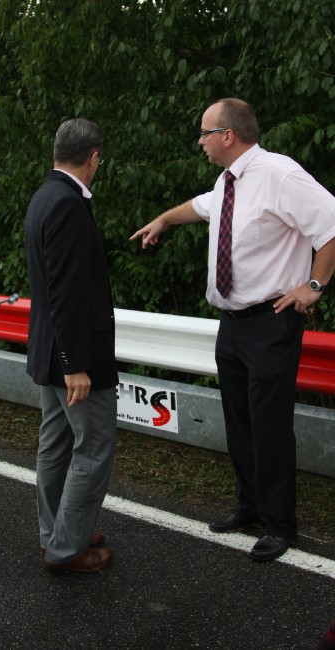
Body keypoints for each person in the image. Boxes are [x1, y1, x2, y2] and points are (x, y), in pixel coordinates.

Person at [130, 98, 335, 562]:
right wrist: (164, 219)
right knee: (239, 421)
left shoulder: (280, 174)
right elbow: (199, 208)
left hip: (271, 321)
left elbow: (331, 226)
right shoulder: (227, 181)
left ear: (228, 135)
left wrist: (314, 286)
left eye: (204, 133)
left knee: (269, 425)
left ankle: (280, 524)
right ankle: (250, 508)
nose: (200, 141)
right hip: (233, 324)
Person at [24, 118, 118, 574]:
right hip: (73, 357)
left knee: (56, 446)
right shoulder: (67, 204)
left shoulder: (45, 195)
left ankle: (58, 534)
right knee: (93, 450)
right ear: (94, 157)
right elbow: (66, 291)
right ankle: (66, 548)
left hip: (50, 350)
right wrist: (74, 363)